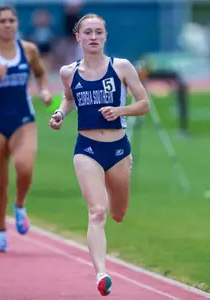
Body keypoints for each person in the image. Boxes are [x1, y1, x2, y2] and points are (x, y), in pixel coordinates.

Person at [49, 13, 150, 296]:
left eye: (98, 32)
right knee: (97, 212)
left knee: (118, 213)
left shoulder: (121, 67)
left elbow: (144, 104)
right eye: (87, 32)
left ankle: (114, 200)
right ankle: (101, 274)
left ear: (105, 36)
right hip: (87, 149)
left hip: (118, 150)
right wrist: (59, 114)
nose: (93, 37)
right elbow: (69, 100)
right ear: (77, 37)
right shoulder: (68, 72)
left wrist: (120, 111)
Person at [0, 5, 52, 252]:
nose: (7, 25)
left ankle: (20, 206)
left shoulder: (29, 50)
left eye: (11, 20)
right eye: (2, 21)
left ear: (17, 23)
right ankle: (0, 230)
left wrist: (44, 90)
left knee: (24, 167)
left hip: (23, 119)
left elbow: (40, 74)